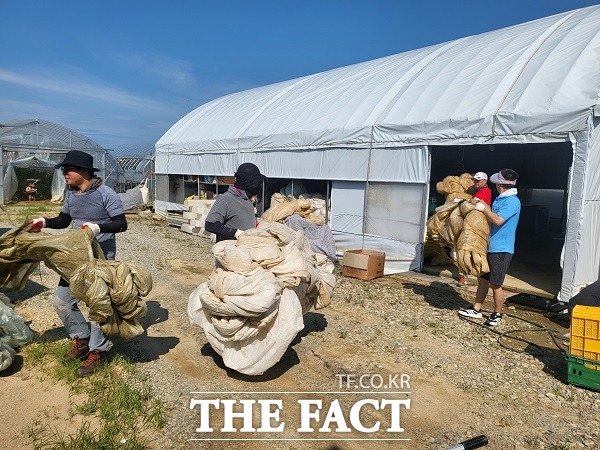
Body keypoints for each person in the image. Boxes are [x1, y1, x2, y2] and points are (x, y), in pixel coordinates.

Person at [29, 150, 127, 377]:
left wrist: (97, 227)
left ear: (83, 170)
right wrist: (43, 222)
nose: (64, 174)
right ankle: (82, 339)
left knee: (97, 308)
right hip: (75, 258)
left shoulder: (106, 194)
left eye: (67, 169)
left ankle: (98, 350)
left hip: (99, 259)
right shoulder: (71, 194)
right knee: (62, 302)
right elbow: (64, 220)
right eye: (63, 170)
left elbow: (121, 224)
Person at [458, 168, 521, 326]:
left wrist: (485, 209)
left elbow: (498, 220)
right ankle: (477, 308)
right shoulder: (501, 199)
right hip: (489, 246)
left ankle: (497, 313)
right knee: (483, 280)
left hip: (501, 250)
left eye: (497, 184)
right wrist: (483, 205)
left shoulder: (513, 201)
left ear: (500, 185)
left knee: (496, 283)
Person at [204, 163, 265, 242]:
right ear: (251, 183)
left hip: (247, 249)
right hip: (231, 251)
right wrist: (236, 233)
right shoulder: (226, 199)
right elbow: (210, 225)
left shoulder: (246, 199)